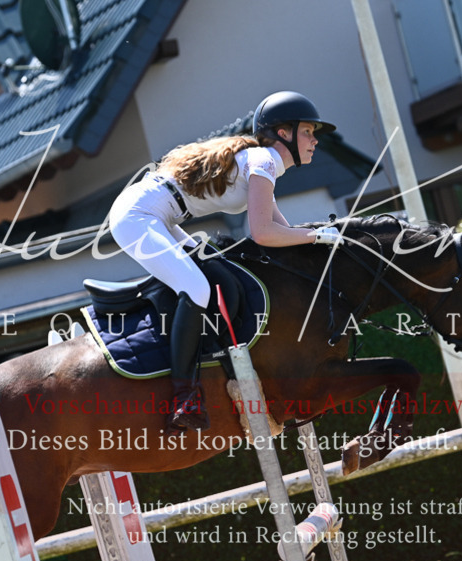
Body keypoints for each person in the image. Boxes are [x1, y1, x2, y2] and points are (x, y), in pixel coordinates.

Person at [107, 91, 342, 434]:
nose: (315, 140)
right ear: (284, 133)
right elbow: (263, 233)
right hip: (138, 216)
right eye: (308, 131)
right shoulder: (262, 162)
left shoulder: (262, 164)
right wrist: (319, 236)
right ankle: (183, 397)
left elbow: (283, 233)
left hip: (159, 216)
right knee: (198, 289)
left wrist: (321, 237)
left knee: (215, 276)